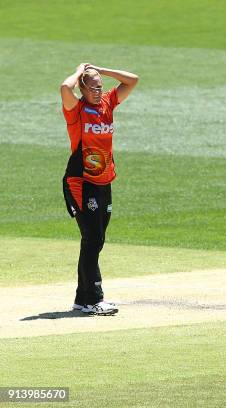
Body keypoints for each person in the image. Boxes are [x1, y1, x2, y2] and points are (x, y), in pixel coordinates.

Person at [60, 63, 138, 315]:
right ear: (82, 88)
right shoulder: (76, 109)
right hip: (81, 181)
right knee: (93, 239)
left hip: (104, 181)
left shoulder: (107, 103)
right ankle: (94, 298)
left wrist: (102, 71)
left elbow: (133, 80)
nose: (97, 91)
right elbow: (64, 87)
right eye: (92, 87)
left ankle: (82, 299)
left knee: (95, 240)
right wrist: (79, 70)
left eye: (99, 87)